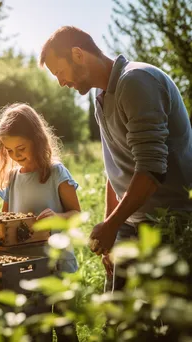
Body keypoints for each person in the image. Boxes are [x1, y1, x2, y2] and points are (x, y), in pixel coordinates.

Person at [39, 25, 192, 291]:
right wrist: (111, 229)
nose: (61, 82)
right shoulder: (102, 96)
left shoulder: (136, 81)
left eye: (60, 72)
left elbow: (152, 168)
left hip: (169, 223)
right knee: (118, 322)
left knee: (164, 326)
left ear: (77, 54)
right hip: (131, 220)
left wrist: (112, 224)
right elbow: (117, 168)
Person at [0, 102, 81, 342]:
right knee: (35, 331)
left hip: (59, 265)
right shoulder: (12, 178)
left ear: (37, 140)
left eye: (20, 148)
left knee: (65, 330)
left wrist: (58, 218)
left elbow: (77, 214)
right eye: (9, 151)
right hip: (26, 269)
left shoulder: (56, 173)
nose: (16, 156)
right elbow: (5, 220)